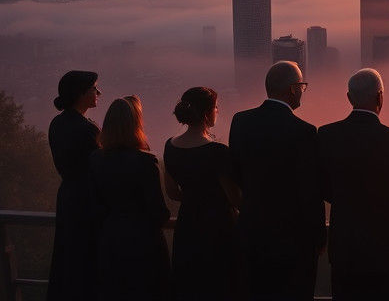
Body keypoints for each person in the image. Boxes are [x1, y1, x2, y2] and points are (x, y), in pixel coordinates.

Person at [317, 68, 389, 300]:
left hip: (345, 250)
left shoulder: (327, 136)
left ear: (349, 98)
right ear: (380, 97)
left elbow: (321, 186)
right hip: (387, 253)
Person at [228, 61, 324, 301]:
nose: (303, 90)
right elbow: (310, 192)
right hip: (293, 243)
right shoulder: (305, 132)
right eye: (302, 85)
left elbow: (235, 174)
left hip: (251, 235)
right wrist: (319, 237)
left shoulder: (241, 122)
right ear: (292, 89)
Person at [89, 95, 171, 301]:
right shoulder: (146, 162)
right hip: (143, 245)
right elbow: (158, 212)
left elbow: (94, 203)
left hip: (109, 241)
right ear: (135, 125)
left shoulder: (95, 160)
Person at [164, 87, 240, 301]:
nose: (218, 110)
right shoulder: (218, 152)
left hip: (188, 224)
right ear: (207, 113)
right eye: (216, 107)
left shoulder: (170, 146)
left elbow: (172, 191)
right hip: (219, 227)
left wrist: (193, 196)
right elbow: (234, 197)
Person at [48, 70, 102, 301]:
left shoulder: (57, 124)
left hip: (67, 198)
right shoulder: (88, 129)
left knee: (67, 257)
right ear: (81, 94)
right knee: (88, 260)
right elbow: (98, 170)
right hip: (88, 201)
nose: (98, 93)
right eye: (94, 88)